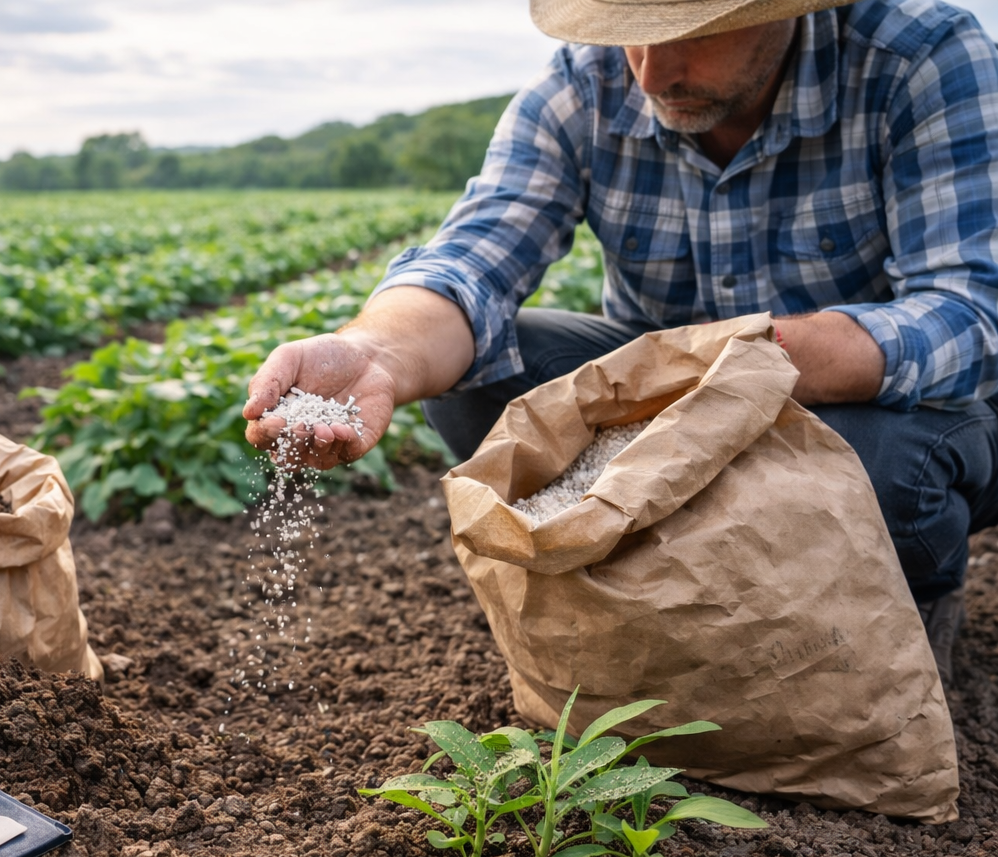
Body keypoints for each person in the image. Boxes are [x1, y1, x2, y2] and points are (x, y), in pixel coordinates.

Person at [242, 0, 998, 682]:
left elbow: (969, 310)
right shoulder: (587, 81)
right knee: (481, 376)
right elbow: (476, 254)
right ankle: (661, 603)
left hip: (886, 409)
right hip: (667, 396)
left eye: (689, 35)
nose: (654, 71)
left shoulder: (918, 57)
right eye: (631, 38)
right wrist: (376, 353)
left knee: (892, 473)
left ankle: (901, 606)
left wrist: (733, 365)